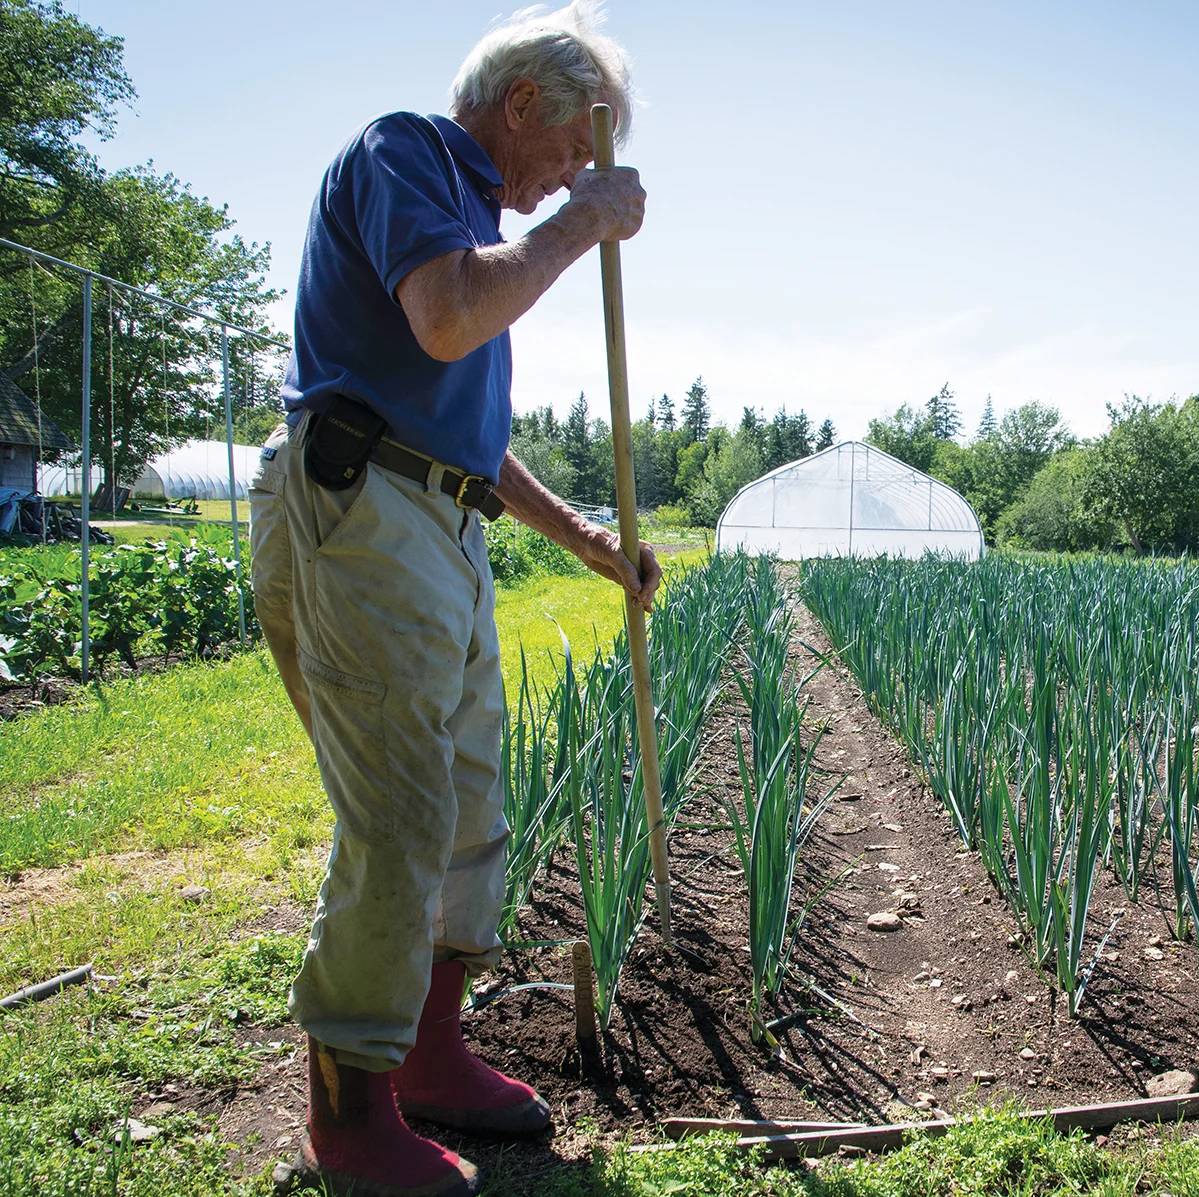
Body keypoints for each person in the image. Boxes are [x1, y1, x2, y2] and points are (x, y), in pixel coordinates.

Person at [248, 5, 658, 1194]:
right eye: (576, 148)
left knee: (472, 799)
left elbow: (464, 432)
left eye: (589, 166)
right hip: (361, 509)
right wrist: (585, 223)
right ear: (523, 102)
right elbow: (445, 319)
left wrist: (582, 537)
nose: (573, 176)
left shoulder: (480, 227)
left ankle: (428, 1053)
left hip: (437, 515)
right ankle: (350, 1115)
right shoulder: (407, 154)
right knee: (400, 807)